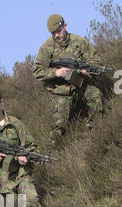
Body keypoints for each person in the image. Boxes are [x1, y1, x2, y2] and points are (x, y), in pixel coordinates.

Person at [33, 14, 104, 142]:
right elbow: (37, 71)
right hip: (62, 90)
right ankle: (55, 149)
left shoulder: (79, 42)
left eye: (58, 32)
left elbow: (96, 63)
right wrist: (56, 72)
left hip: (82, 85)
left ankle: (94, 134)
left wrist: (84, 72)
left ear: (65, 26)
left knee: (96, 96)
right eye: (53, 33)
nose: (56, 36)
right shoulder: (47, 47)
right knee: (59, 126)